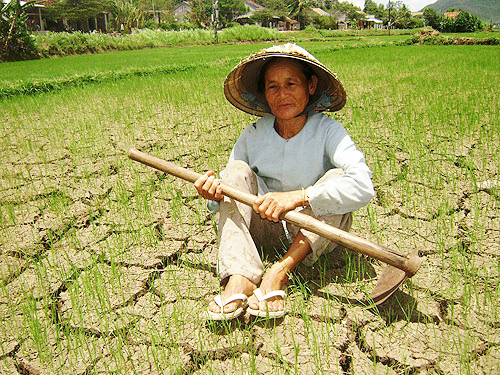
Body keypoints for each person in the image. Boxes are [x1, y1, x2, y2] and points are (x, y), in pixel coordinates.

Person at [194, 43, 374, 320]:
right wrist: (214, 195)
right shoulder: (253, 134)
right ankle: (240, 275)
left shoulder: (328, 131)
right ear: (264, 93)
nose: (282, 94)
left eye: (291, 83)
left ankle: (281, 270)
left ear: (311, 86)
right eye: (273, 87)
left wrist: (299, 196)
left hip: (313, 231)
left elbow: (362, 186)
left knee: (337, 178)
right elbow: (232, 191)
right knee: (235, 170)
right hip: (264, 228)